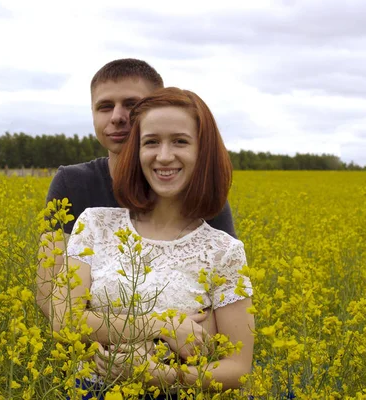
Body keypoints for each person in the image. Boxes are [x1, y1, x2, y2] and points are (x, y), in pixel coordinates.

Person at [54, 87, 254, 398]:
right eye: (151, 142)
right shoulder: (95, 224)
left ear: (204, 152)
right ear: (137, 152)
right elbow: (65, 320)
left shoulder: (222, 251)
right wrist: (165, 325)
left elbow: (238, 367)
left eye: (180, 141)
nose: (163, 156)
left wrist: (163, 376)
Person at [37, 59, 237, 336]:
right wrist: (86, 344)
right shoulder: (73, 183)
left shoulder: (196, 195)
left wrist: (147, 356)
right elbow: (50, 292)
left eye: (131, 104)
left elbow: (218, 308)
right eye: (104, 107)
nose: (117, 116)